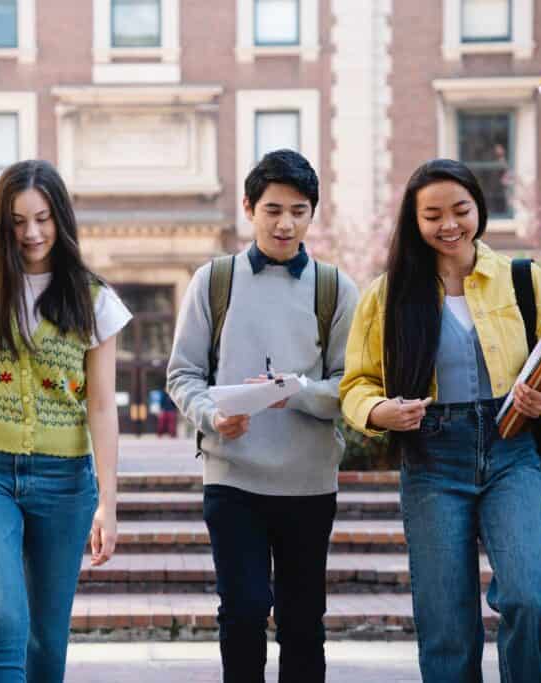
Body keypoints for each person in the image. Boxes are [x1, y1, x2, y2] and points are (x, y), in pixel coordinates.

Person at [339, 158, 541, 682]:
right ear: (414, 222)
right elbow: (356, 383)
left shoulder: (523, 279)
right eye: (432, 215)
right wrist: (379, 410)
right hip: (431, 457)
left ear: (479, 206)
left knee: (528, 597)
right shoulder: (387, 295)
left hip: (511, 450)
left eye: (461, 210)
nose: (449, 224)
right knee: (447, 627)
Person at [0, 159, 132, 682]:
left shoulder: (94, 299)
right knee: (5, 621)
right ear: (1, 223)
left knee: (47, 637)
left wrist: (109, 501)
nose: (32, 232)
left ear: (61, 218)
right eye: (17, 220)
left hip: (65, 483)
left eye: (43, 218)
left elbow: (102, 406)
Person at [166, 149, 359, 683]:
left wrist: (293, 392)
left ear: (312, 214)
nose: (285, 222)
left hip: (309, 483)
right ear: (249, 208)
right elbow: (182, 374)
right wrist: (212, 415)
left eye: (298, 210)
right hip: (233, 478)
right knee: (245, 610)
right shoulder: (213, 281)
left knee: (302, 621)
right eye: (273, 209)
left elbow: (354, 385)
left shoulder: (335, 288)